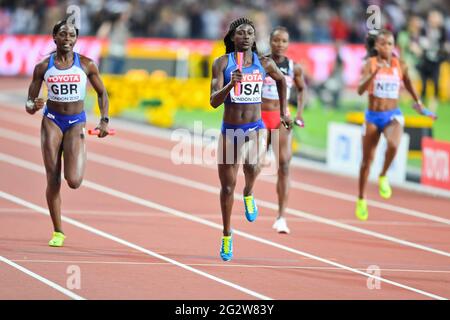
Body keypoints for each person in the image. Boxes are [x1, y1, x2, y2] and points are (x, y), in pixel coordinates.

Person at [210, 18, 291, 261]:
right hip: (230, 129)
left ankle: (249, 192)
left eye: (250, 33)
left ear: (254, 39)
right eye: (240, 33)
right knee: (226, 187)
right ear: (232, 38)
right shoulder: (221, 63)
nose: (245, 36)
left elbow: (282, 81)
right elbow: (213, 101)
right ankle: (226, 234)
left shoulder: (263, 63)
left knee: (254, 165)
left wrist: (284, 111)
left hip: (255, 126)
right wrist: (229, 85)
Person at [25, 19, 110, 247]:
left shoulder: (87, 64)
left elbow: (103, 94)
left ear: (76, 39)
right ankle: (58, 231)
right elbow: (29, 103)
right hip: (52, 121)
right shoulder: (43, 66)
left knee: (73, 181)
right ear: (55, 38)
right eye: (63, 34)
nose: (68, 39)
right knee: (53, 179)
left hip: (75, 122)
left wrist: (104, 120)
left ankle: (77, 150)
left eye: (71, 35)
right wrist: (34, 105)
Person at [355, 29, 430, 221]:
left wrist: (418, 102)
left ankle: (383, 174)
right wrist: (373, 75)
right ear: (376, 46)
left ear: (393, 46)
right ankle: (362, 198)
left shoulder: (399, 64)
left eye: (390, 44)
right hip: (373, 116)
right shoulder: (369, 64)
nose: (386, 47)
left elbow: (409, 83)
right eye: (382, 44)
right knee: (366, 161)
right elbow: (360, 90)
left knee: (394, 144)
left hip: (392, 115)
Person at [261, 26, 307, 234]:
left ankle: (281, 217)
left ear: (288, 44)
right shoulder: (260, 64)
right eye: (276, 40)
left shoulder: (293, 67)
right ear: (270, 42)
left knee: (285, 166)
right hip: (260, 117)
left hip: (281, 117)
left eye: (284, 41)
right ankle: (248, 195)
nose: (280, 44)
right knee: (255, 162)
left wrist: (299, 114)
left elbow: (302, 88)